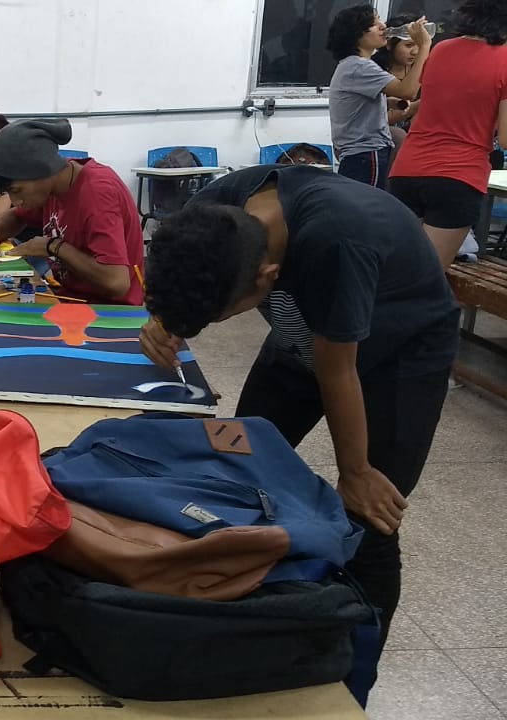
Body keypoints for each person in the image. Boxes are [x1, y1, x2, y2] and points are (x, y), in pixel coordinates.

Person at [138, 164, 459, 698]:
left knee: (370, 520)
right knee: (238, 466)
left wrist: (355, 470)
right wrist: (166, 318)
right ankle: (239, 618)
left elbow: (338, 369)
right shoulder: (216, 212)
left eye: (226, 316)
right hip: (308, 333)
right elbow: (188, 272)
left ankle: (353, 677)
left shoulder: (338, 239)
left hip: (402, 351)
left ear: (268, 277)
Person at [389, 0, 507, 267]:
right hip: (458, 176)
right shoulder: (504, 59)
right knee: (426, 276)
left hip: (408, 170)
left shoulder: (441, 50)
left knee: (396, 270)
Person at [0, 119, 144, 305]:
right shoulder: (55, 184)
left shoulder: (97, 193)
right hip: (69, 298)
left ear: (41, 169)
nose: (16, 201)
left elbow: (116, 282)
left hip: (110, 311)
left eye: (17, 191)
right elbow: (17, 215)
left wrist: (54, 247)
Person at [327, 6, 431, 187]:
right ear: (357, 34)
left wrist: (390, 102)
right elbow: (408, 91)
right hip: (367, 152)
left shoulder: (351, 65)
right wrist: (424, 46)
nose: (383, 26)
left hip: (357, 154)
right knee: (367, 202)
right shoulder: (360, 67)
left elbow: (360, 103)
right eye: (374, 24)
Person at [374, 13, 423, 147]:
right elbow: (378, 120)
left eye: (420, 46)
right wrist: (415, 107)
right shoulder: (374, 70)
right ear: (389, 44)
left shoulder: (422, 68)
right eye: (408, 45)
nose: (415, 52)